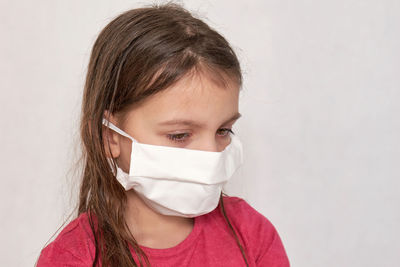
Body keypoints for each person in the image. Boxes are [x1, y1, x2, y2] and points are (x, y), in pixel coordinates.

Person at [37, 3, 290, 267]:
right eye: (180, 135)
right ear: (110, 137)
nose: (211, 154)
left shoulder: (252, 235)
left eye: (223, 130)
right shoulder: (74, 257)